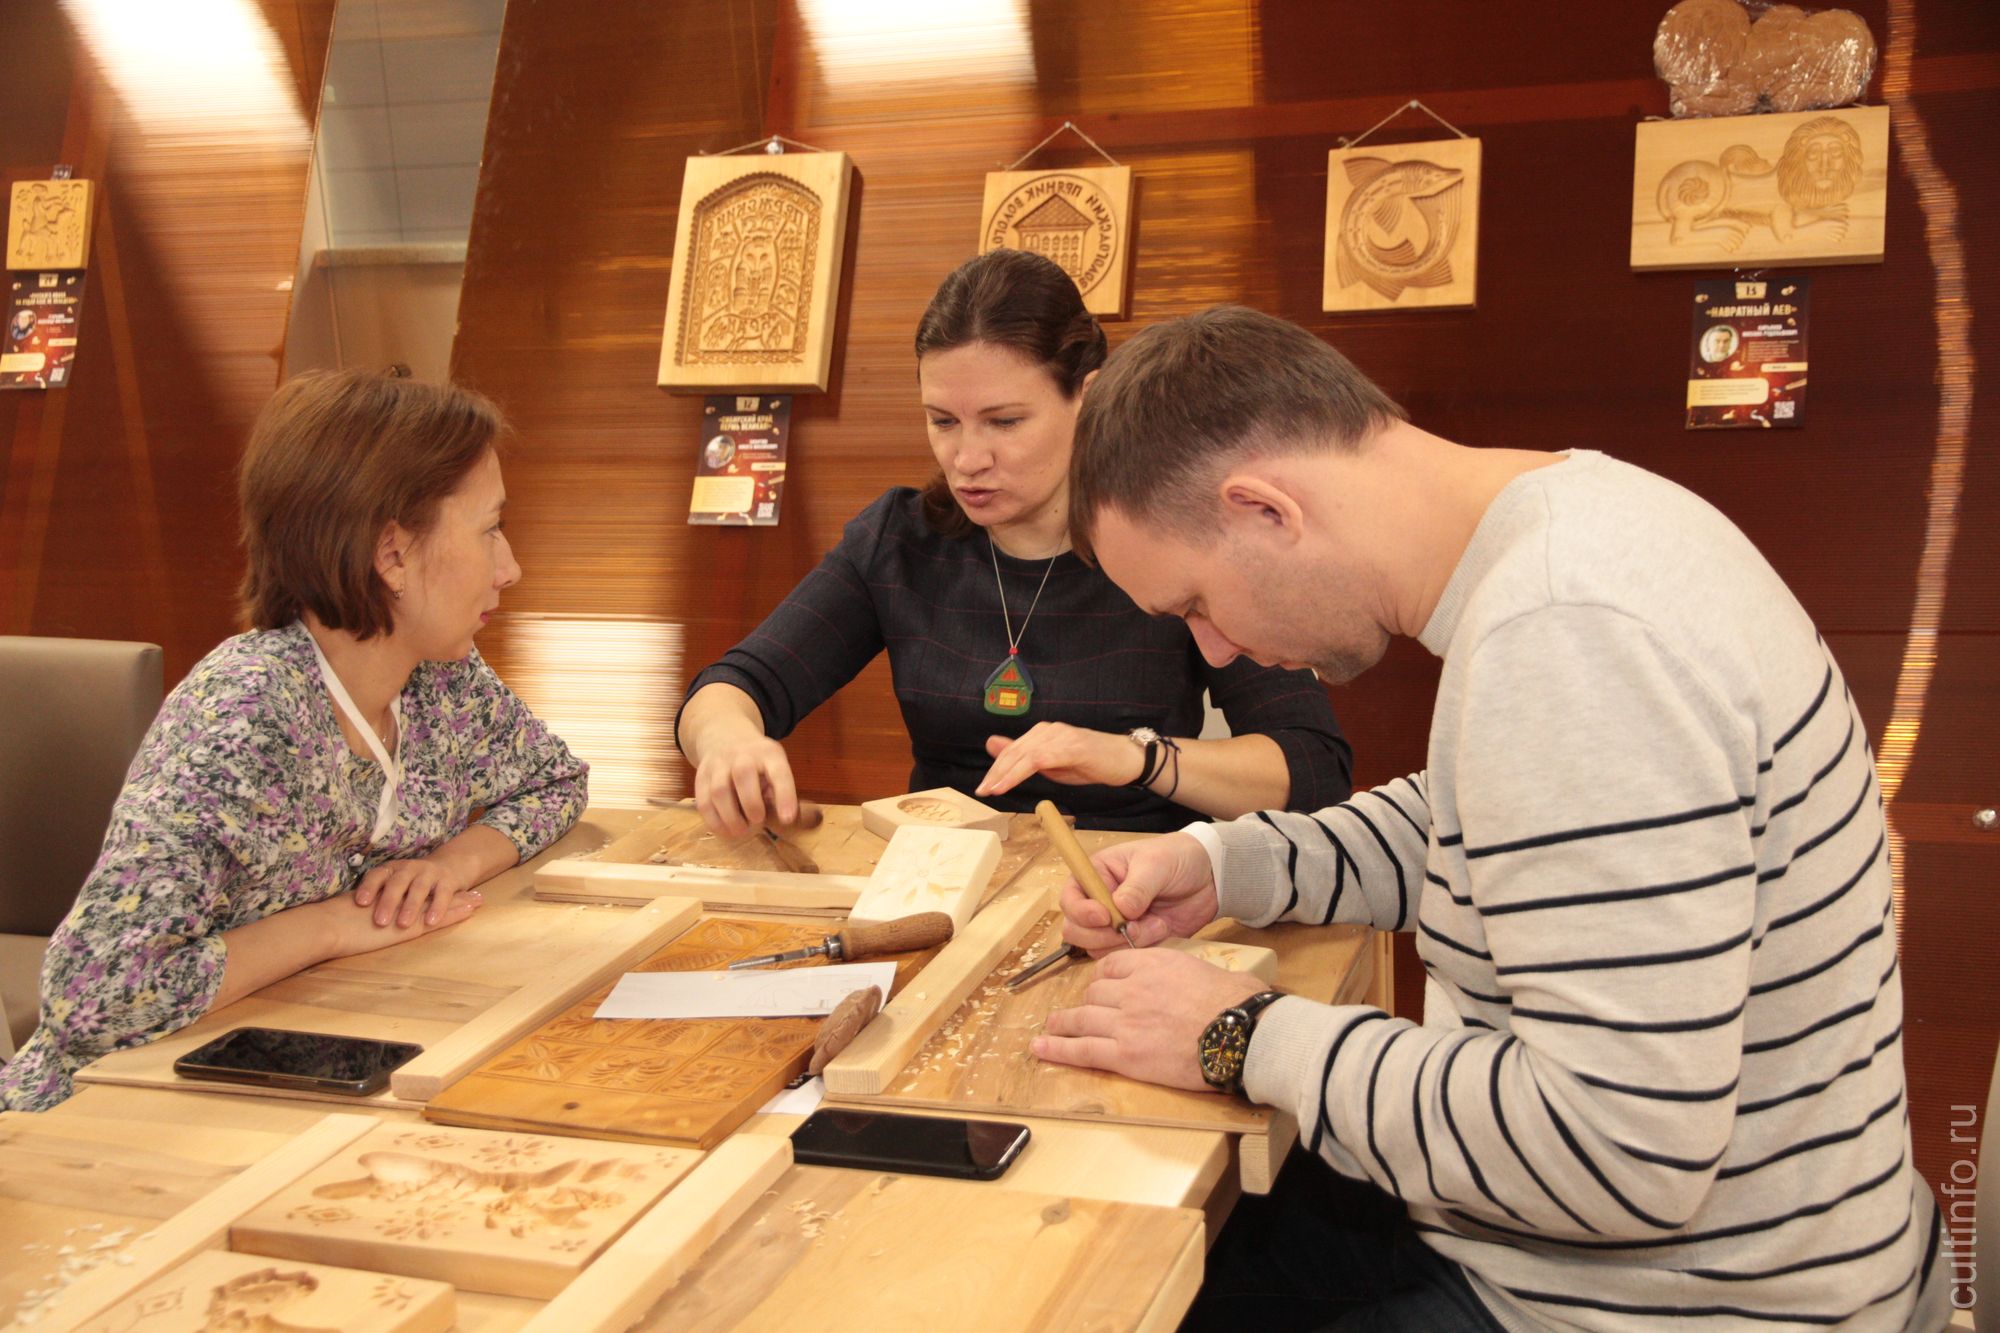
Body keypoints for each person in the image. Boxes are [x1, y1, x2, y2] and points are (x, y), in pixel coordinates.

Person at [1037, 306, 1947, 1330]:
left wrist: (1239, 1035)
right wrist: (1230, 864)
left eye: (1195, 602)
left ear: (1264, 511)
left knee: (1107, 1289)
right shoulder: (1584, 515)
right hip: (1631, 1254)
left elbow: (1615, 1154)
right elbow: (1474, 821)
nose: (1213, 650)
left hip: (1671, 1303)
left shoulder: (1567, 630)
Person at [0, 371, 588, 1111]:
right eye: (489, 528)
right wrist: (331, 925)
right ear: (393, 555)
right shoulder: (246, 715)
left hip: (286, 1073)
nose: (510, 568)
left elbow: (555, 782)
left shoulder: (441, 678)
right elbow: (97, 1000)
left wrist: (449, 863)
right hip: (94, 1123)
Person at [676, 249, 1352, 837]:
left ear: (1085, 397)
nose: (966, 457)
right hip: (949, 880)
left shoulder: (1172, 538)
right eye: (943, 420)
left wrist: (1137, 757)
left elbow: (1313, 765)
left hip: (1139, 886)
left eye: (1004, 421)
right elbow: (730, 687)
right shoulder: (900, 541)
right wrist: (729, 739)